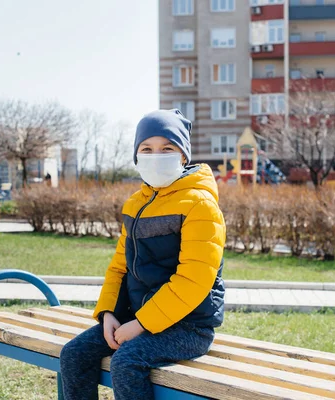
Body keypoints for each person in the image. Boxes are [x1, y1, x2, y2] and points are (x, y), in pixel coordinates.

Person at [59, 109, 226, 400]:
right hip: (135, 318)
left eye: (167, 148)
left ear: (183, 156)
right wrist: (109, 313)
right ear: (137, 156)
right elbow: (118, 268)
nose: (156, 155)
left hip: (189, 327)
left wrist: (140, 325)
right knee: (73, 355)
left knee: (126, 362)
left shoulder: (200, 204)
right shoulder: (135, 204)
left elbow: (193, 281)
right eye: (146, 148)